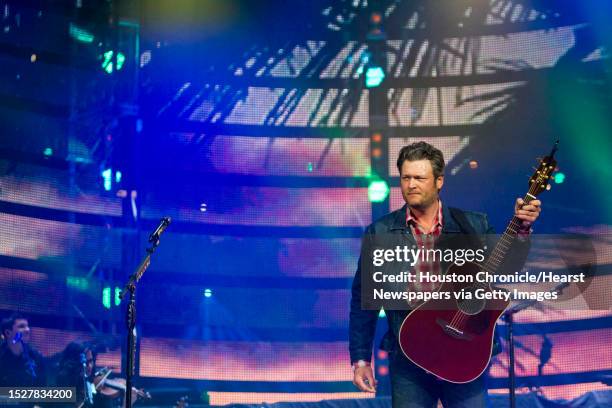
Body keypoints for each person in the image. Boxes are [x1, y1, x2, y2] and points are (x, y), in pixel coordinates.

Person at [349, 142, 542, 408]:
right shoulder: (379, 232)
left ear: (439, 181)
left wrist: (521, 232)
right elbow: (363, 300)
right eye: (406, 178)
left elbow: (505, 270)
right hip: (410, 357)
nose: (411, 184)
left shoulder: (473, 225)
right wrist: (361, 360)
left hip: (466, 353)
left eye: (419, 177)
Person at [56, 342, 114, 408]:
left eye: (91, 361)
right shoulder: (62, 380)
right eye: (85, 362)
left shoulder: (95, 386)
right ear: (73, 363)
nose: (89, 366)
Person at [0, 312, 46, 388]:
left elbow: (42, 388)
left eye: (27, 326)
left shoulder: (36, 357)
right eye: (21, 327)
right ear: (8, 333)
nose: (27, 330)